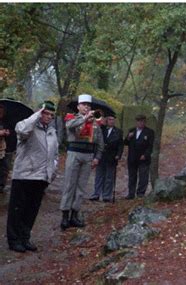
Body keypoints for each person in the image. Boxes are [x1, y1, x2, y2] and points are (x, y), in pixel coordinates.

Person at [6, 101, 58, 252]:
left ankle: (25, 237)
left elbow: (54, 154)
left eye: (51, 115)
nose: (48, 117)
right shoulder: (27, 126)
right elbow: (22, 131)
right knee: (17, 209)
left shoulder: (52, 132)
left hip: (41, 177)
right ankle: (14, 239)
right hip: (24, 175)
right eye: (45, 113)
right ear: (39, 113)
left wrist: (52, 171)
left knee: (31, 210)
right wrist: (36, 115)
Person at [60, 94, 104, 230]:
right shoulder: (72, 117)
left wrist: (97, 157)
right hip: (74, 153)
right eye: (84, 105)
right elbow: (70, 126)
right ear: (78, 106)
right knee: (69, 185)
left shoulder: (96, 123)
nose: (87, 107)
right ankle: (65, 215)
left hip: (88, 155)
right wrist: (85, 119)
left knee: (81, 187)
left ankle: (75, 214)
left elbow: (100, 142)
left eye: (88, 105)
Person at [90, 115, 123, 202]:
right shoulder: (101, 129)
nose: (112, 121)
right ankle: (96, 194)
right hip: (101, 155)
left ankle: (106, 195)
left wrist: (118, 155)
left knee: (109, 177)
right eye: (110, 119)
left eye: (113, 119)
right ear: (106, 120)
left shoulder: (118, 131)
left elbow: (120, 145)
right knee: (99, 176)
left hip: (111, 156)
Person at [124, 114, 154, 199]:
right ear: (136, 122)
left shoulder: (149, 132)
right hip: (132, 157)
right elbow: (125, 143)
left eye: (142, 121)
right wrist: (128, 137)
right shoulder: (132, 130)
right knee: (132, 176)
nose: (141, 123)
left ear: (145, 122)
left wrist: (145, 155)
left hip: (143, 158)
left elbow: (150, 145)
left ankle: (140, 193)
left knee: (143, 176)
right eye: (139, 121)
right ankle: (131, 193)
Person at [0, 103, 17, 194]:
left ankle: (1, 186)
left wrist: (7, 132)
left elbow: (14, 133)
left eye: (2, 109)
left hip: (6, 148)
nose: (0, 110)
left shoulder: (9, 122)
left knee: (4, 168)